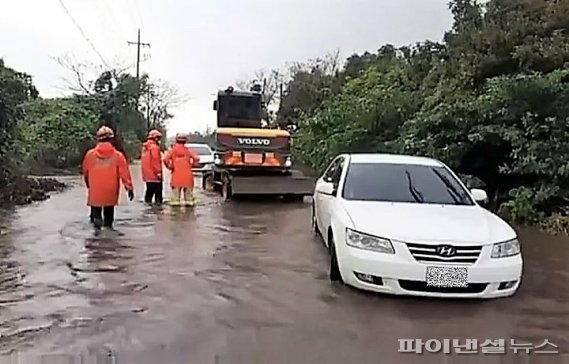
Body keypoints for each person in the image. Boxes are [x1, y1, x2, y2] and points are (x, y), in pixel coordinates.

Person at [82, 125, 134, 229]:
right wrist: (129, 188)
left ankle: (96, 237)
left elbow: (85, 172)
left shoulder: (90, 155)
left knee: (96, 219)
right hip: (111, 191)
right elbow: (124, 174)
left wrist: (89, 185)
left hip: (95, 190)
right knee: (109, 220)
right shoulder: (118, 155)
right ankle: (108, 239)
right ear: (111, 139)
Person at [163, 133, 200, 206]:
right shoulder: (188, 150)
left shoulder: (172, 150)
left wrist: (171, 166)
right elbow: (196, 159)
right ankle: (188, 215)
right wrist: (192, 165)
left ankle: (176, 214)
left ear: (176, 140)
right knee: (189, 200)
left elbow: (165, 159)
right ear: (185, 141)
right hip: (187, 176)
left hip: (176, 176)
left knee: (175, 200)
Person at [141, 129, 163, 204]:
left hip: (147, 176)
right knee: (158, 197)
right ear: (155, 138)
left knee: (148, 195)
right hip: (155, 176)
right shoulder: (154, 148)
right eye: (159, 138)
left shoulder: (145, 147)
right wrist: (158, 172)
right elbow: (155, 161)